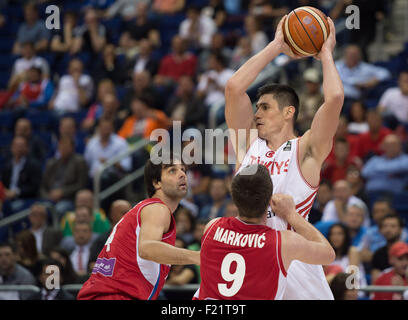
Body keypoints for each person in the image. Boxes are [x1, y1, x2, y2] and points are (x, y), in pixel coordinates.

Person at [223, 15, 343, 299]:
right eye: (257, 108)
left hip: (297, 267)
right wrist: (276, 45)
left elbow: (335, 98)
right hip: (254, 264)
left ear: (289, 112)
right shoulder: (247, 145)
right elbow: (233, 88)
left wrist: (325, 52)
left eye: (265, 107)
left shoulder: (306, 149)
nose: (257, 114)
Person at [197, 164, 335, 300]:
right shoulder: (282, 243)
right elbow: (329, 255)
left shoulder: (212, 227)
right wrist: (292, 214)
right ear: (270, 199)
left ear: (233, 197)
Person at [77, 154, 200, 300]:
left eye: (183, 170)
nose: (182, 175)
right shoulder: (157, 208)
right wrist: (198, 256)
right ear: (156, 183)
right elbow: (147, 248)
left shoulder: (145, 210)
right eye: (172, 171)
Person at [371, 214, 406, 283]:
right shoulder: (378, 254)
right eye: (385, 226)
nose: (388, 229)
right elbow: (375, 282)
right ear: (380, 230)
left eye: (393, 226)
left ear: (401, 230)